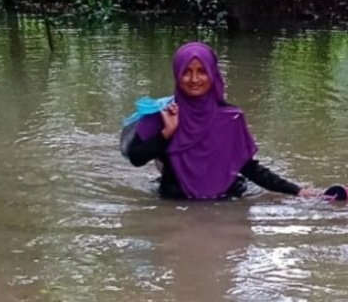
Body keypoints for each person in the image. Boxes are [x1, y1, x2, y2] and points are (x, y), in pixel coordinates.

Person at [125, 41, 323, 200]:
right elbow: (136, 158)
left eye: (202, 71)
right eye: (186, 72)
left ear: (213, 74)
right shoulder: (164, 114)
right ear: (177, 75)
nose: (194, 79)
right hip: (175, 204)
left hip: (226, 200)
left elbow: (248, 167)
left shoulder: (230, 118)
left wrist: (297, 191)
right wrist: (167, 133)